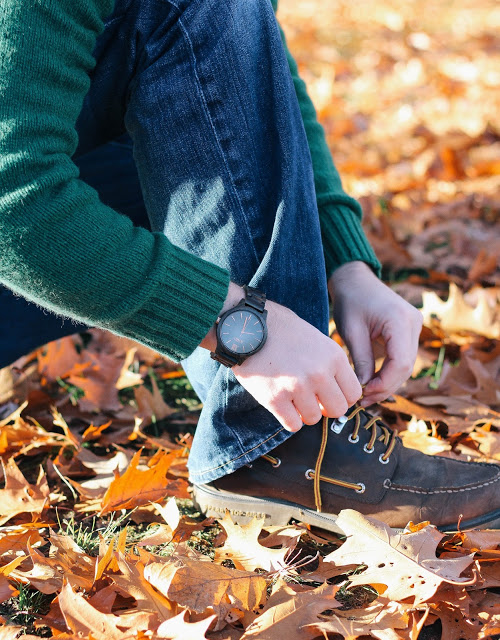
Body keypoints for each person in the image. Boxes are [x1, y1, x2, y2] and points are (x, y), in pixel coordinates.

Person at [1, 0, 499, 533]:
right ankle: (274, 442)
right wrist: (244, 328)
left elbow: (248, 79)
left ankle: (277, 442)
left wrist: (345, 262)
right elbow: (14, 205)